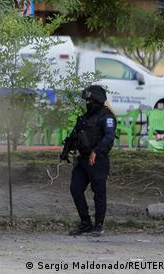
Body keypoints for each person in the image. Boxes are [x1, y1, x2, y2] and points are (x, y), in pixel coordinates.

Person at [60, 85, 116, 237]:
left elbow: (109, 137)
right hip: (83, 160)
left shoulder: (107, 117)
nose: (88, 103)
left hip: (98, 160)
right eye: (87, 100)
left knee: (99, 192)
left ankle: (98, 225)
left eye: (90, 100)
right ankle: (86, 223)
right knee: (76, 189)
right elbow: (73, 135)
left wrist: (96, 152)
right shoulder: (85, 118)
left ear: (97, 100)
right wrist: (65, 151)